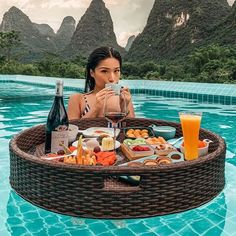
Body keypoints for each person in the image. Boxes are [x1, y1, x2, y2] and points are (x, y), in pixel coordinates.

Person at [67, 46, 135, 120]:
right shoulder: (78, 99)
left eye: (116, 71)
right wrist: (96, 108)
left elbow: (133, 130)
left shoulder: (124, 99)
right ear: (92, 73)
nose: (112, 78)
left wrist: (124, 107)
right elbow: (72, 130)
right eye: (104, 71)